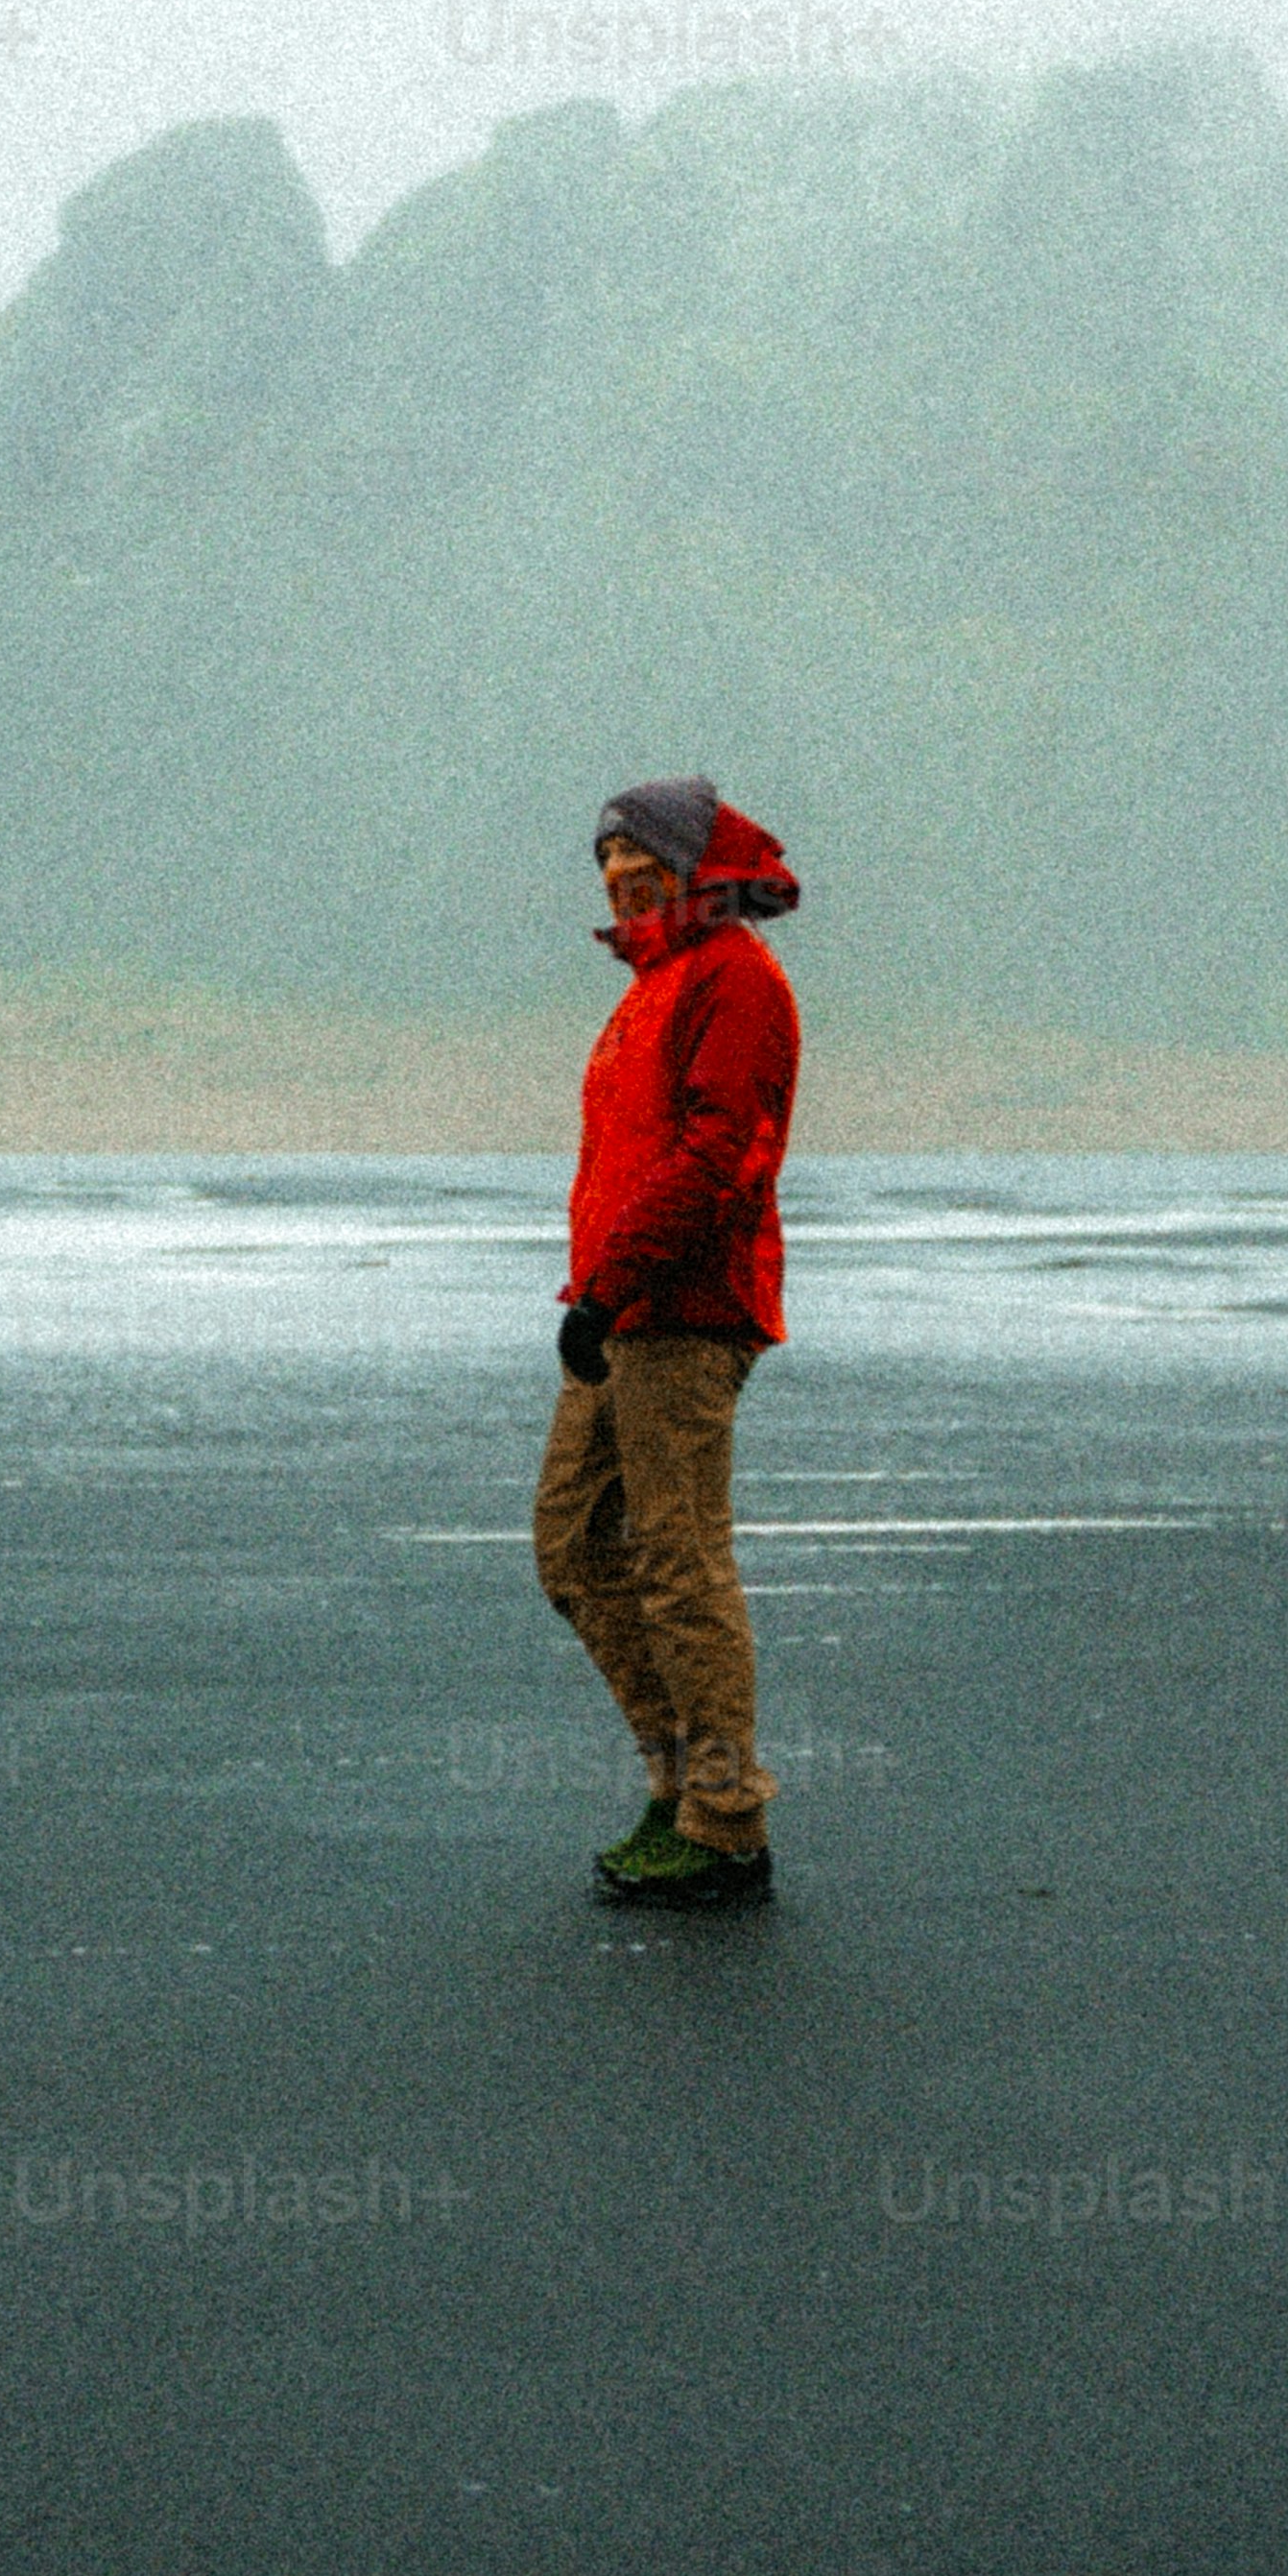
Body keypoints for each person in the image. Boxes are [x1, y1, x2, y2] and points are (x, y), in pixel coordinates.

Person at [534, 776, 802, 1907]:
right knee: (575, 1544)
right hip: (620, 1308)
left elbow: (715, 1157)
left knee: (679, 1560)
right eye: (603, 858)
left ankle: (723, 1819)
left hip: (684, 1314)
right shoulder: (655, 982)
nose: (615, 874)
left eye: (636, 854)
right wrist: (595, 1295)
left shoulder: (735, 978)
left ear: (692, 859)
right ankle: (679, 1777)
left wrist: (615, 1286)